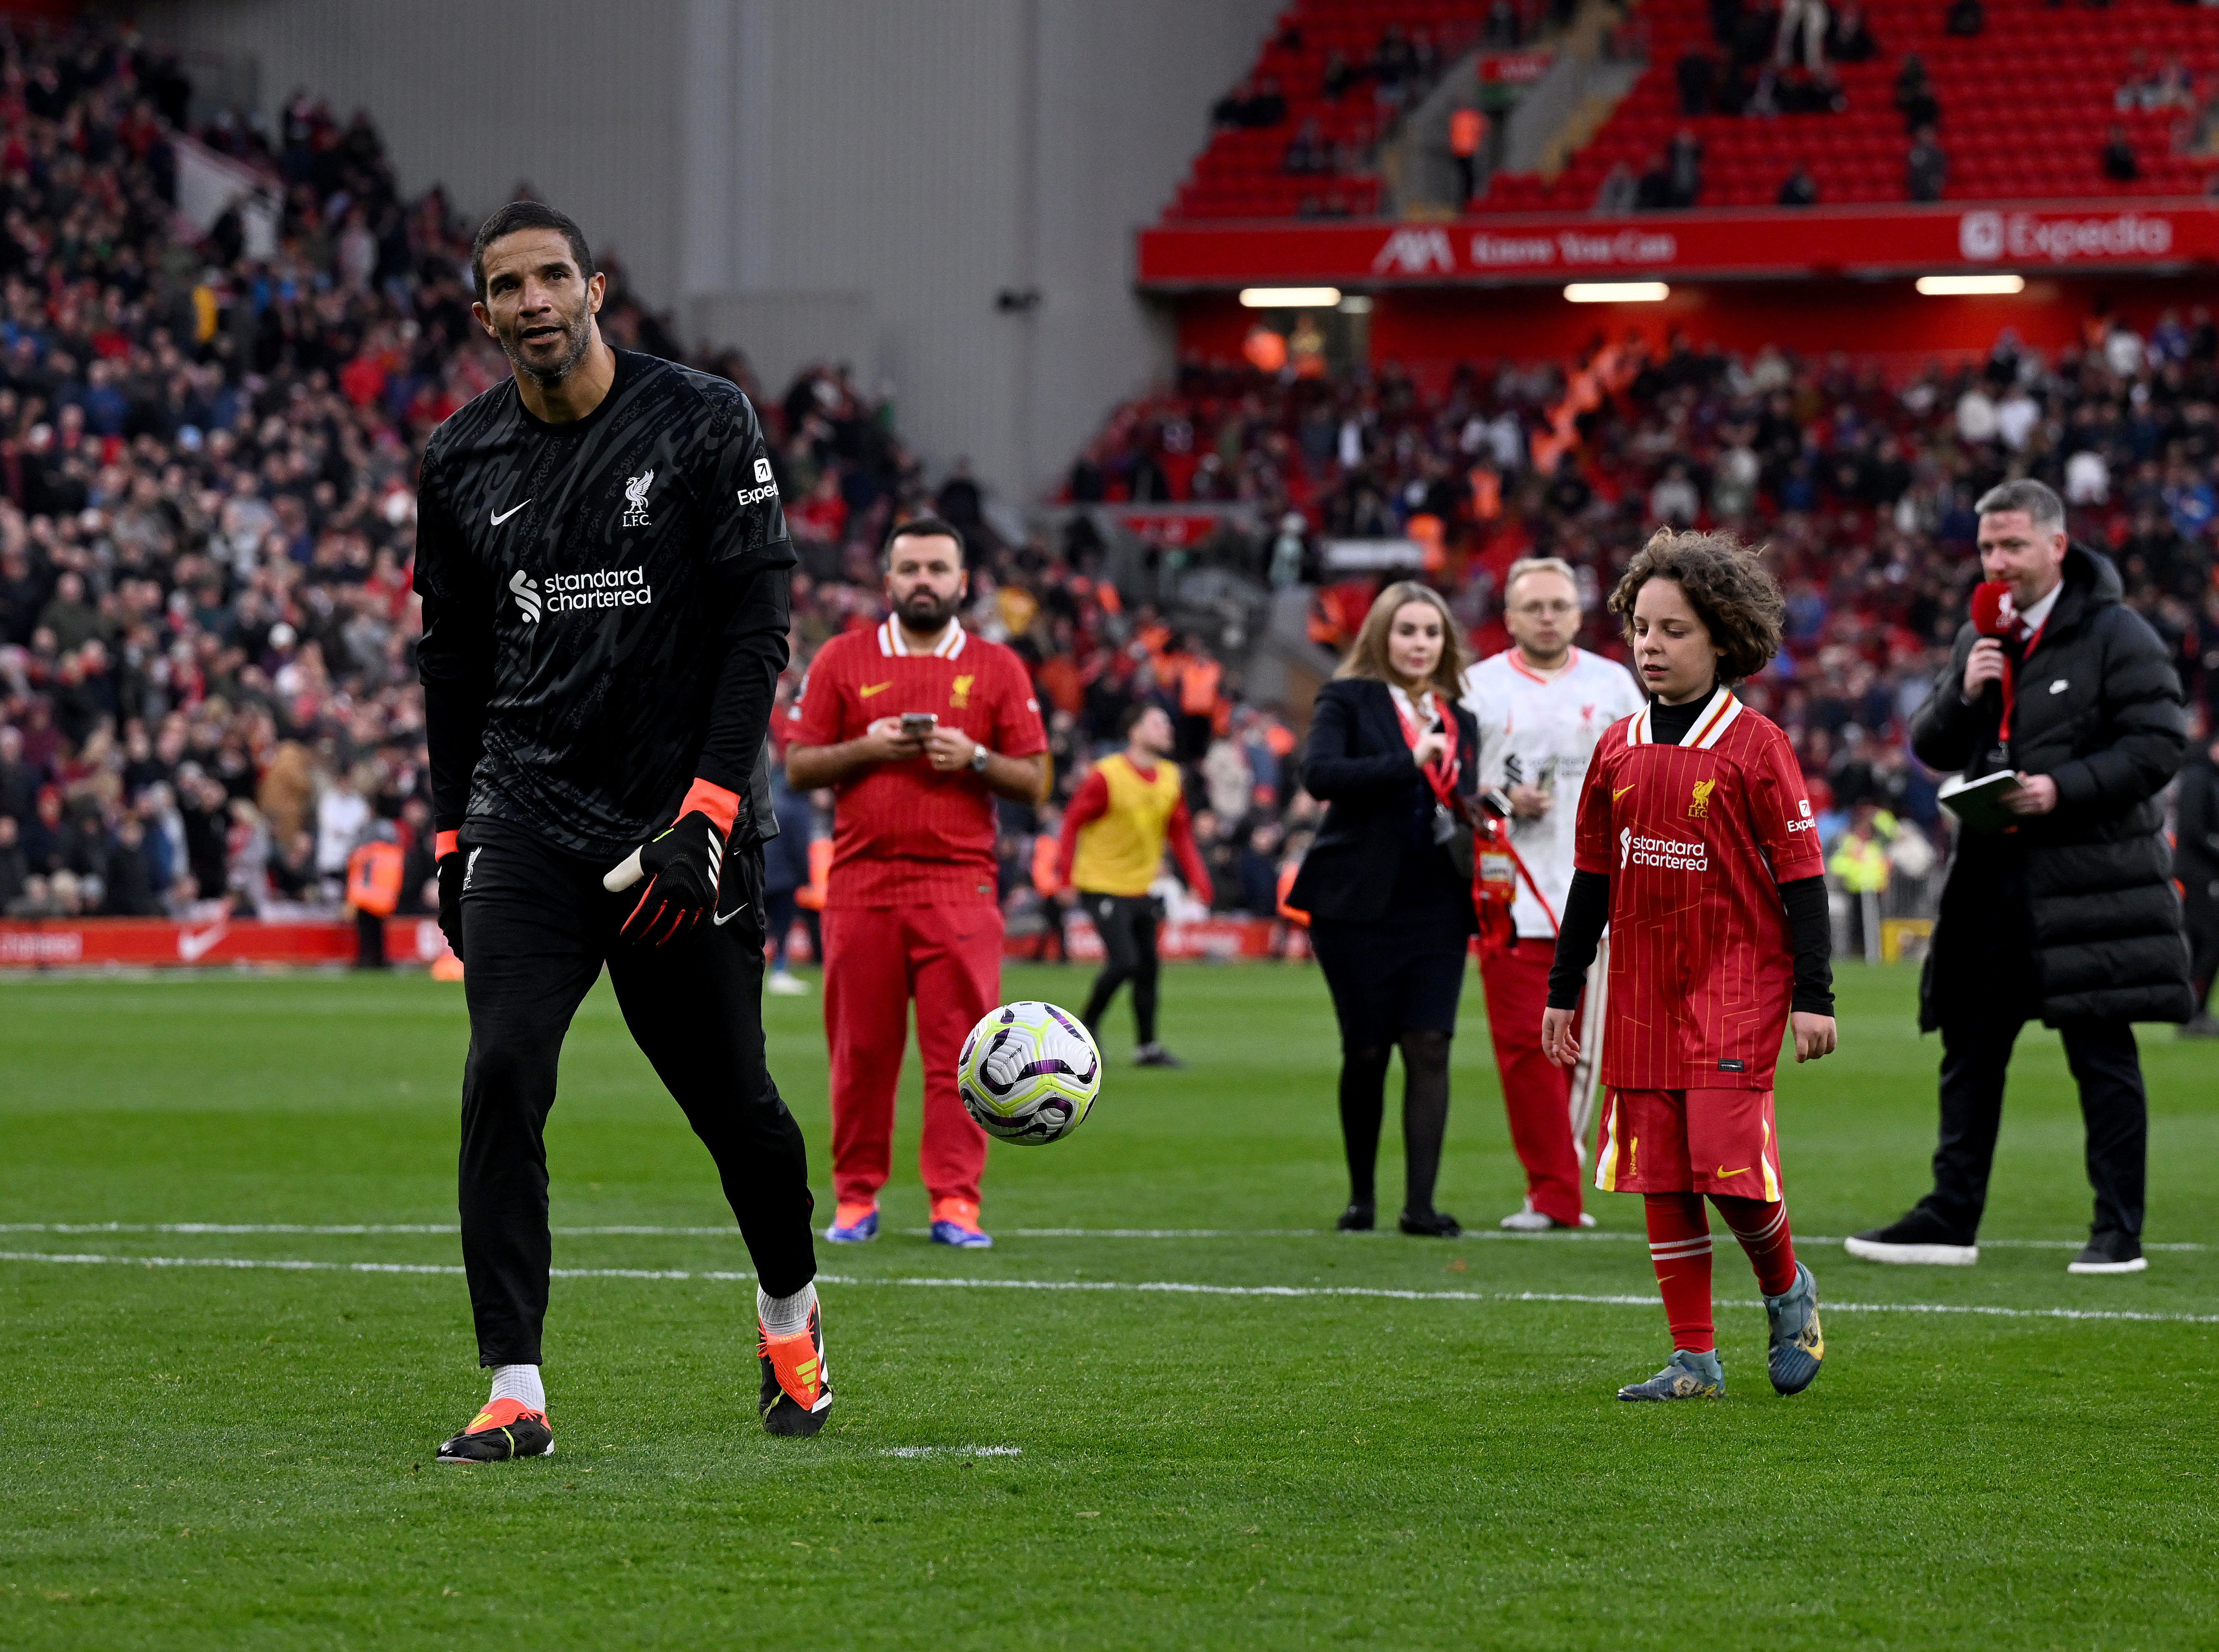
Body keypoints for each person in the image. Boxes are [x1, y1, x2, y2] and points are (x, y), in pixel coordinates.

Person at [414, 202, 829, 1459]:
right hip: (527, 821)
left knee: (737, 1107)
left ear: (593, 288)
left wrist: (708, 805)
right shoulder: (458, 458)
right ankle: (515, 1386)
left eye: (552, 277)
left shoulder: (703, 418)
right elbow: (451, 661)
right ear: (483, 315)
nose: (533, 301)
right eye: (507, 286)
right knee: (500, 1073)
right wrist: (447, 834)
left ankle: (789, 1312)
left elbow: (759, 626)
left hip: (679, 832)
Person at [1849, 481, 2191, 1275]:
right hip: (1991, 877)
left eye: (2010, 546)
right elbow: (1932, 743)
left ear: (2055, 547)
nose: (1996, 563)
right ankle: (1949, 1215)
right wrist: (1965, 690)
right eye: (1985, 549)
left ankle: (2117, 1230)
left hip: (2087, 879)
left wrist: (2059, 787)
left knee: (2099, 1050)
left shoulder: (2117, 633)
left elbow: (2157, 742)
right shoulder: (1983, 637)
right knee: (1968, 1046)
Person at [1543, 529, 1837, 1403]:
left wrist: (1813, 996)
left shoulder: (1757, 747)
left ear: (1722, 637)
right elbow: (1591, 876)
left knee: (1726, 1163)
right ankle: (1695, 1359)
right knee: (1659, 1171)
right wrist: (1565, 990)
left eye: (1673, 630)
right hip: (1640, 986)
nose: (1650, 646)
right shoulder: (1618, 748)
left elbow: (1805, 878)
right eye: (1641, 627)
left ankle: (1788, 1289)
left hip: (1737, 983)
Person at [785, 516, 1050, 1251]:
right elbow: (800, 764)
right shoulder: (843, 657)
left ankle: (955, 1199)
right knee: (860, 1056)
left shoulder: (999, 666)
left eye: (937, 568)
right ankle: (855, 1196)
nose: (923, 581)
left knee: (961, 1058)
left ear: (964, 582)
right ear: (888, 580)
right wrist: (868, 748)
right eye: (910, 569)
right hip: (861, 885)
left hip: (959, 887)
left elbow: (1034, 779)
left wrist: (972, 757)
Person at [1287, 582, 1479, 1238]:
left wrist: (1494, 807)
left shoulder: (1461, 718)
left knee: (1428, 1045)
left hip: (1436, 902)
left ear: (1444, 642)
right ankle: (1361, 1199)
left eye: (1430, 632)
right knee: (1366, 1050)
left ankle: (1419, 1207)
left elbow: (1457, 800)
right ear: (1381, 637)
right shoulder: (1346, 698)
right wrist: (1408, 759)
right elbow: (1319, 776)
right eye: (1406, 631)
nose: (1419, 643)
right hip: (1354, 902)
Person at [1462, 556, 1643, 1231]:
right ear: (1508, 617)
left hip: (1599, 895)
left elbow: (1649, 770)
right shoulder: (1475, 687)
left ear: (1577, 612)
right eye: (1532, 605)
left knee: (1586, 1052)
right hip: (1509, 890)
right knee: (1521, 1047)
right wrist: (1503, 801)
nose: (1546, 616)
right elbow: (1455, 792)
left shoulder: (1614, 684)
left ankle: (1558, 1185)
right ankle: (1552, 1193)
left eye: (1558, 605)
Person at [1055, 703, 1213, 1066]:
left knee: (1149, 968)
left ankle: (1147, 1047)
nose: (1167, 730)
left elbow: (1181, 834)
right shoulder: (1105, 776)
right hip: (1101, 882)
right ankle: (1087, 1025)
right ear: (1134, 732)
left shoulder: (1172, 777)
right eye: (1158, 723)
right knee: (1125, 961)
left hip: (1142, 885)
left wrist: (1198, 880)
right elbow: (1071, 823)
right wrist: (1064, 877)